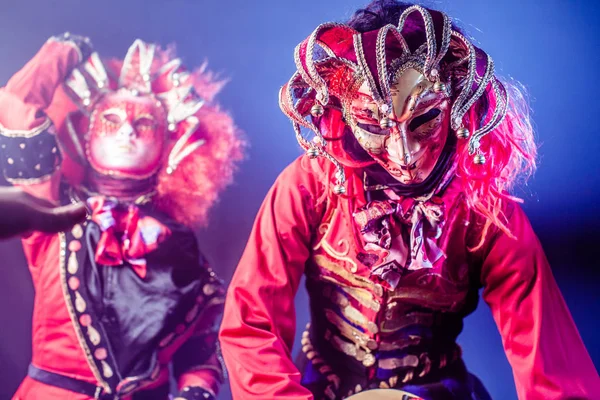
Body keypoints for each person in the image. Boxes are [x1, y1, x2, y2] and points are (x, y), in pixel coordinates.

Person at [218, 1, 599, 399]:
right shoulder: (310, 185)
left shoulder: (484, 210)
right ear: (344, 113)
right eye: (372, 124)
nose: (404, 155)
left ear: (453, 102)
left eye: (424, 119)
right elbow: (251, 322)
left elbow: (552, 366)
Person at [0, 32, 244, 399]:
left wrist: (198, 391)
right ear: (84, 132)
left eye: (145, 123)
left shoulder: (177, 241)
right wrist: (64, 49)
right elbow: (16, 107)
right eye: (111, 120)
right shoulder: (52, 208)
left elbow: (198, 345)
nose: (128, 130)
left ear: (170, 142)